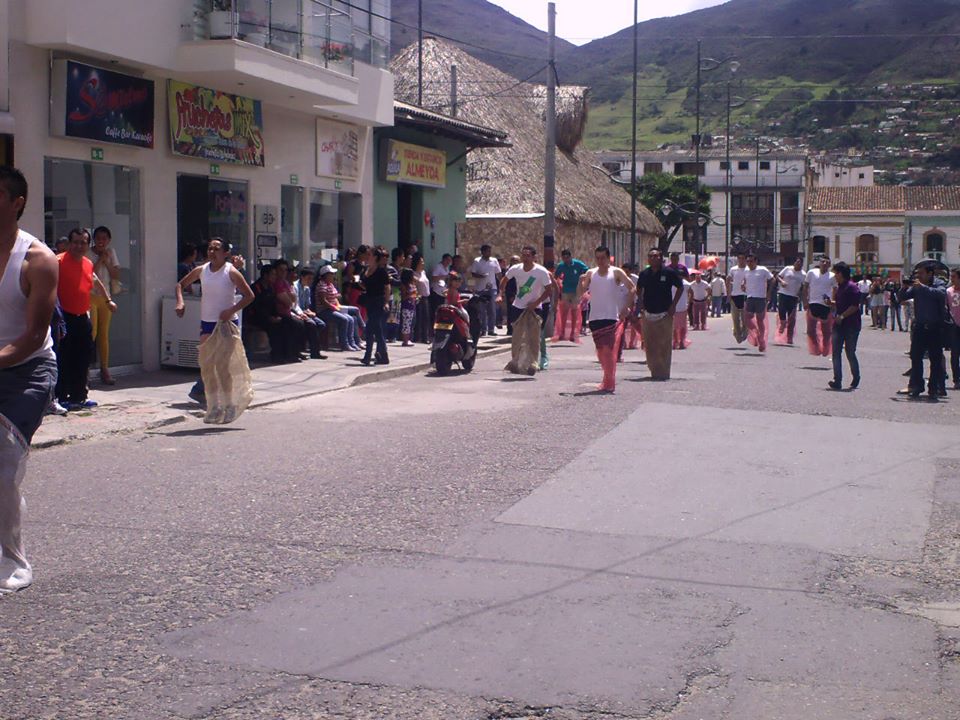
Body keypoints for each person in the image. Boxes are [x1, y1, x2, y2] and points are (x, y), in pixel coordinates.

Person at [0, 165, 58, 594]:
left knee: (3, 465)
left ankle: (13, 559)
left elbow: (34, 336)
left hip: (29, 371)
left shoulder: (38, 259)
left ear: (17, 203)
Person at [175, 238, 255, 421]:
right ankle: (214, 406)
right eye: (210, 249)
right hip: (207, 323)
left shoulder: (231, 271)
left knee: (222, 365)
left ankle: (229, 404)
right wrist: (180, 302)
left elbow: (249, 296)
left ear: (225, 253)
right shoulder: (201, 270)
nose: (212, 252)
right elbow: (180, 285)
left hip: (226, 324)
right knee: (207, 365)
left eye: (216, 249)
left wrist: (231, 310)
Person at [56, 227, 115, 410]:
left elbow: (96, 281)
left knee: (83, 358)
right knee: (64, 358)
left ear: (88, 245)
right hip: (63, 317)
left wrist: (108, 300)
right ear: (69, 244)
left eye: (83, 242)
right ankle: (61, 397)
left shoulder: (88, 263)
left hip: (82, 316)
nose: (79, 246)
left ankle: (79, 397)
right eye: (75, 242)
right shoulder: (58, 262)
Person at [577, 246, 634, 392]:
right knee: (601, 351)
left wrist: (626, 307)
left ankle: (609, 382)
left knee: (608, 350)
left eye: (603, 258)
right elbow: (581, 292)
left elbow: (632, 287)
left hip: (611, 317)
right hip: (594, 318)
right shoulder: (591, 273)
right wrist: (580, 281)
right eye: (598, 258)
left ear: (609, 258)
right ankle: (607, 378)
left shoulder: (616, 272)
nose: (600, 261)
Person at [497, 245, 553, 374]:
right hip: (518, 306)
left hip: (535, 308)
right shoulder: (515, 269)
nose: (525, 258)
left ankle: (533, 363)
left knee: (534, 336)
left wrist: (536, 302)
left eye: (528, 255)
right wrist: (500, 294)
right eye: (523, 255)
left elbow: (549, 290)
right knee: (517, 336)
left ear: (534, 257)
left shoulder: (541, 271)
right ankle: (515, 362)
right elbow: (504, 281)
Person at [899, 262, 947, 399]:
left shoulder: (938, 283)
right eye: (917, 274)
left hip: (935, 327)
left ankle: (933, 388)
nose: (919, 276)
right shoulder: (917, 286)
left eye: (921, 273)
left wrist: (923, 287)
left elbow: (940, 294)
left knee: (935, 359)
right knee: (915, 357)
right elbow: (902, 297)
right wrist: (904, 288)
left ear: (930, 273)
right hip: (920, 327)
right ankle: (917, 385)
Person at [635, 248, 684, 380]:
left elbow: (680, 287)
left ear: (661, 258)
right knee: (650, 344)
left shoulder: (668, 272)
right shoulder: (644, 274)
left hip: (665, 313)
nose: (653, 258)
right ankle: (654, 370)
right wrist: (640, 304)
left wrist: (673, 305)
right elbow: (638, 289)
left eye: (656, 256)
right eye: (650, 256)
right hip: (648, 313)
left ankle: (663, 372)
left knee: (664, 344)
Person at [89, 226, 120, 386]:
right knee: (92, 333)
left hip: (106, 297)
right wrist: (100, 259)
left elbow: (116, 275)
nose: (101, 241)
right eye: (98, 238)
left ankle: (104, 369)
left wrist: (106, 260)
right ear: (94, 239)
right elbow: (89, 275)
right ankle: (85, 370)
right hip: (90, 296)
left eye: (104, 239)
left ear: (109, 240)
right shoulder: (88, 253)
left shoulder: (111, 252)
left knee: (103, 335)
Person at [828, 262, 861, 390]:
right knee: (836, 352)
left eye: (835, 273)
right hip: (838, 324)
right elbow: (840, 303)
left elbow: (854, 306)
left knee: (850, 352)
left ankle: (856, 377)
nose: (834, 276)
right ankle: (837, 380)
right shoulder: (839, 287)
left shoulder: (852, 287)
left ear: (841, 273)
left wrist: (842, 316)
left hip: (851, 325)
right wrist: (831, 303)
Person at [313, 265, 362, 352]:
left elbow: (335, 297)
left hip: (334, 307)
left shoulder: (330, 284)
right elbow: (324, 301)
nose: (333, 275)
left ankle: (353, 342)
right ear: (326, 275)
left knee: (352, 317)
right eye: (331, 274)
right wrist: (334, 307)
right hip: (325, 310)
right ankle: (344, 344)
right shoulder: (321, 285)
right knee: (345, 319)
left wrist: (337, 304)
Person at [360, 246, 390, 366]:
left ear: (375, 257)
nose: (367, 257)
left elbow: (387, 287)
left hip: (379, 302)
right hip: (370, 302)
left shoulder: (381, 271)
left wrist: (386, 302)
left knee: (370, 328)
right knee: (377, 331)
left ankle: (367, 356)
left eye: (370, 255)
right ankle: (384, 356)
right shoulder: (366, 270)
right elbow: (365, 285)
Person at [803, 256, 837, 358]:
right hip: (812, 303)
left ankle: (825, 348)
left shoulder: (832, 276)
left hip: (825, 305)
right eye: (823, 261)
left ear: (830, 265)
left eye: (827, 262)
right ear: (819, 263)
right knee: (810, 330)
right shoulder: (811, 273)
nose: (825, 263)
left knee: (826, 331)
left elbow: (835, 290)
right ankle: (816, 348)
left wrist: (832, 303)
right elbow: (805, 286)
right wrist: (805, 301)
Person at [554, 248, 589, 342]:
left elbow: (587, 271)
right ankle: (562, 332)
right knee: (564, 312)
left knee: (574, 312)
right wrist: (557, 285)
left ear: (570, 257)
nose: (566, 259)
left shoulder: (578, 264)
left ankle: (573, 333)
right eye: (564, 258)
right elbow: (555, 276)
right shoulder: (561, 266)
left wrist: (583, 281)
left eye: (567, 257)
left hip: (576, 291)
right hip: (565, 290)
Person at [742, 253, 773, 353]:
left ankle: (762, 340)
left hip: (760, 298)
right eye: (747, 261)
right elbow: (745, 280)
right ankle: (756, 332)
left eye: (751, 261)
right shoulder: (746, 270)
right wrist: (743, 285)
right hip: (750, 297)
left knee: (760, 320)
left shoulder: (762, 270)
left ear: (755, 261)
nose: (749, 263)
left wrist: (769, 293)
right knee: (747, 318)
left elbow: (772, 279)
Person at [469, 244, 500, 336]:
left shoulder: (494, 260)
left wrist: (500, 287)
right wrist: (481, 276)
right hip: (480, 288)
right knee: (482, 310)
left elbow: (498, 273)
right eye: (487, 251)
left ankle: (491, 329)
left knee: (492, 309)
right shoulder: (477, 261)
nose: (489, 253)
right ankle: (483, 329)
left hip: (492, 288)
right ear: (482, 252)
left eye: (490, 251)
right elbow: (473, 273)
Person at [775, 256, 805, 345]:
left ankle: (789, 337)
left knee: (792, 318)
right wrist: (782, 282)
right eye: (797, 262)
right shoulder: (788, 268)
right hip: (783, 294)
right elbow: (778, 276)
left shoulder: (803, 274)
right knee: (781, 311)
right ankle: (783, 323)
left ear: (802, 264)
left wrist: (801, 296)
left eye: (800, 263)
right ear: (794, 263)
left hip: (794, 297)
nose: (798, 264)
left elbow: (804, 286)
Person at [726, 253, 748, 344]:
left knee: (744, 318)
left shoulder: (748, 269)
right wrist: (728, 293)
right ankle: (737, 334)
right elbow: (728, 279)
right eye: (739, 258)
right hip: (735, 295)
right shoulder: (733, 269)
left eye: (743, 258)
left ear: (745, 260)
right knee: (735, 318)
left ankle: (745, 332)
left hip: (745, 295)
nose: (741, 260)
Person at [429, 253, 452, 325]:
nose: (448, 262)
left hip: (443, 293)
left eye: (450, 260)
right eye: (447, 260)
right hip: (436, 292)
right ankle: (433, 327)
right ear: (443, 259)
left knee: (442, 311)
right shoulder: (438, 267)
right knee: (435, 311)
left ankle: (440, 326)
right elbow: (434, 278)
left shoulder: (447, 268)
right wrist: (445, 276)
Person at [947, 268, 960, 390]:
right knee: (954, 354)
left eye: (954, 277)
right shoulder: (949, 291)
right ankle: (957, 379)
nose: (951, 279)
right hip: (954, 326)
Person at [400, 267, 418, 347]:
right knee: (406, 324)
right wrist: (410, 294)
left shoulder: (412, 284)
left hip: (411, 305)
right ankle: (405, 340)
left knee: (410, 323)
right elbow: (403, 297)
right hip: (406, 306)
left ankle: (408, 339)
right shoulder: (404, 285)